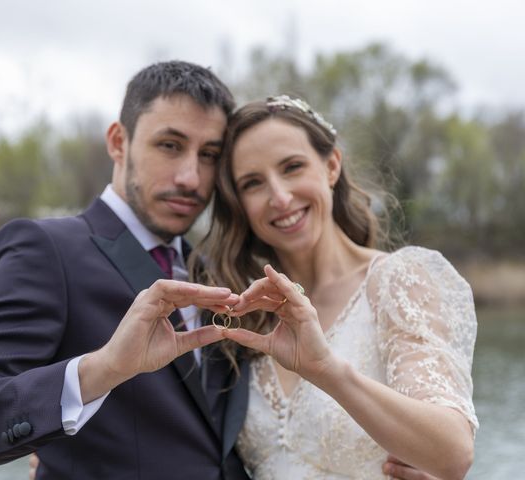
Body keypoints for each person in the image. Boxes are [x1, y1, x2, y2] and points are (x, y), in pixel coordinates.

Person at [0, 60, 249, 480]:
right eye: (169, 145)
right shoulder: (46, 249)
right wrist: (103, 369)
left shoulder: (213, 270)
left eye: (209, 155)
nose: (191, 177)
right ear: (118, 141)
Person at [192, 95, 478, 479]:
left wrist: (326, 370)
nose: (279, 197)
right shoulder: (248, 310)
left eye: (292, 167)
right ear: (239, 203)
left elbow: (452, 452)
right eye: (253, 183)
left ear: (331, 166)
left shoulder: (398, 280)